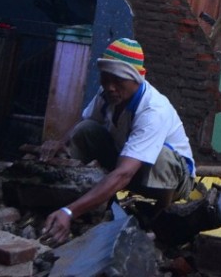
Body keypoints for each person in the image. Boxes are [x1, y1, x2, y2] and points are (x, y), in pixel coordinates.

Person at [41, 38, 195, 244]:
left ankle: (158, 220)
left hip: (173, 181)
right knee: (86, 129)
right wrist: (60, 143)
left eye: (118, 81)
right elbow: (86, 122)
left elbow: (124, 173)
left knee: (160, 156)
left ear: (136, 79)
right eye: (106, 79)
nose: (111, 87)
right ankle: (85, 191)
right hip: (130, 166)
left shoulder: (153, 110)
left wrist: (70, 212)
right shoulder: (107, 95)